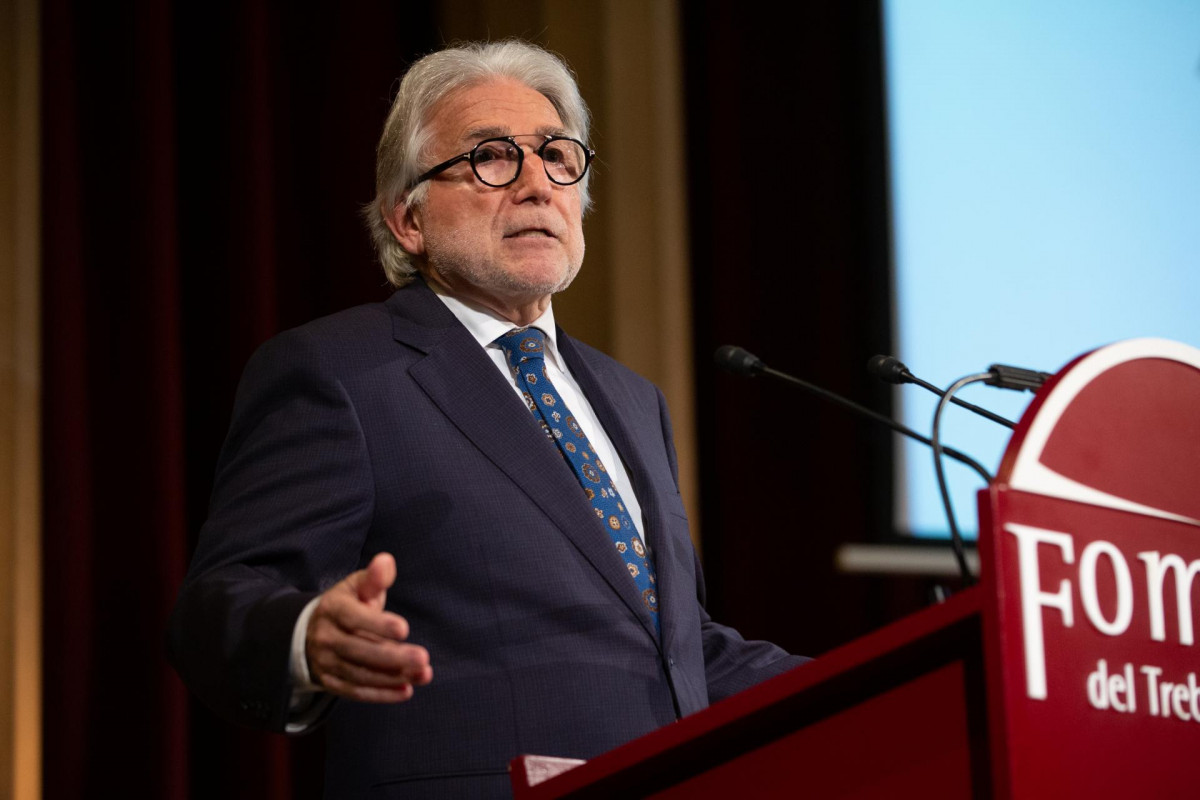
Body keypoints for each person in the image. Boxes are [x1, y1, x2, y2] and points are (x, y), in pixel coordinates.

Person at [167, 39, 807, 798]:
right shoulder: (339, 372)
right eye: (491, 157)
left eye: (558, 156)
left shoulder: (633, 397)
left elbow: (682, 648)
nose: (537, 183)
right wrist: (306, 638)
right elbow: (218, 604)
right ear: (408, 219)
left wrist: (883, 670)